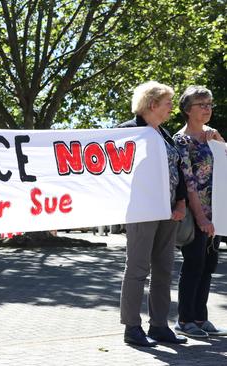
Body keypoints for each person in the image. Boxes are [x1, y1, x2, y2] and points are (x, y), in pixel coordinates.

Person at [118, 81, 188, 347]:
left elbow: (177, 170)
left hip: (168, 212)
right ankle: (132, 328)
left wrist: (180, 202)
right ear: (152, 104)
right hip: (141, 210)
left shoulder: (164, 134)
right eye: (168, 102)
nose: (172, 107)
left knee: (163, 270)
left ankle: (159, 326)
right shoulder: (127, 131)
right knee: (137, 268)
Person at [173, 86, 227, 338]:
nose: (207, 108)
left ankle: (200, 317)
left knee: (209, 264)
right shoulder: (181, 140)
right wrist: (201, 217)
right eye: (201, 104)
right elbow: (189, 182)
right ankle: (184, 320)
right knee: (194, 264)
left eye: (209, 104)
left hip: (217, 212)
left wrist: (220, 142)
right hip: (196, 213)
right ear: (187, 110)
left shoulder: (212, 135)